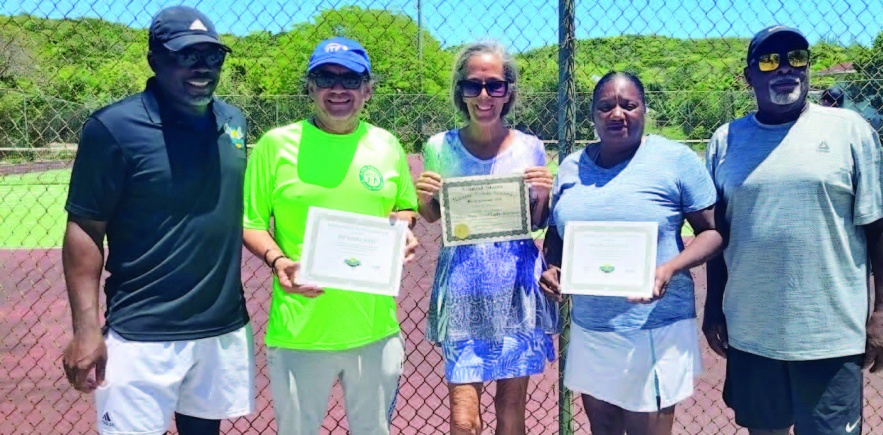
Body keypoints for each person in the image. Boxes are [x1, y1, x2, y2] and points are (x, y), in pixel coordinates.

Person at [61, 6, 254, 435]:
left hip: (220, 328)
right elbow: (85, 228)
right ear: (154, 59)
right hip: (142, 333)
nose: (201, 67)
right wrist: (86, 329)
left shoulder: (233, 122)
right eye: (186, 56)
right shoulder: (113, 128)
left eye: (212, 56)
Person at [703, 25, 883, 435]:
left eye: (796, 58)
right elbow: (719, 236)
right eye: (769, 60)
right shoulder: (726, 140)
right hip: (753, 331)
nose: (785, 70)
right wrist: (712, 308)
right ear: (749, 76)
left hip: (829, 334)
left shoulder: (849, 131)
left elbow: (882, 227)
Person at [241, 36, 418, 435]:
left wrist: (403, 230)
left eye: (351, 80)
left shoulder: (387, 145)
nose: (338, 89)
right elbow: (250, 222)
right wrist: (279, 261)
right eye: (325, 78)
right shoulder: (275, 145)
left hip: (374, 330)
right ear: (310, 87)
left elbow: (404, 207)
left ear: (368, 89)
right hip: (300, 330)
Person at [539, 71, 723, 435]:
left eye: (628, 105)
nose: (617, 114)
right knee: (603, 427)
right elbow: (557, 234)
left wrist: (669, 268)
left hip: (654, 325)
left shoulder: (675, 159)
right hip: (592, 325)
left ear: (644, 110)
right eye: (605, 106)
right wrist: (553, 268)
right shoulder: (572, 167)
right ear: (592, 115)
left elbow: (714, 233)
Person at [415, 41, 560, 435]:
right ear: (459, 90)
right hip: (463, 286)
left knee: (511, 409)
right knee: (464, 419)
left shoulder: (530, 147)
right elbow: (432, 218)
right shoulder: (439, 147)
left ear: (508, 91)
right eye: (472, 85)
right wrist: (425, 198)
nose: (483, 96)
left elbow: (537, 221)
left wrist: (544, 193)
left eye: (494, 85)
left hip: (516, 288)